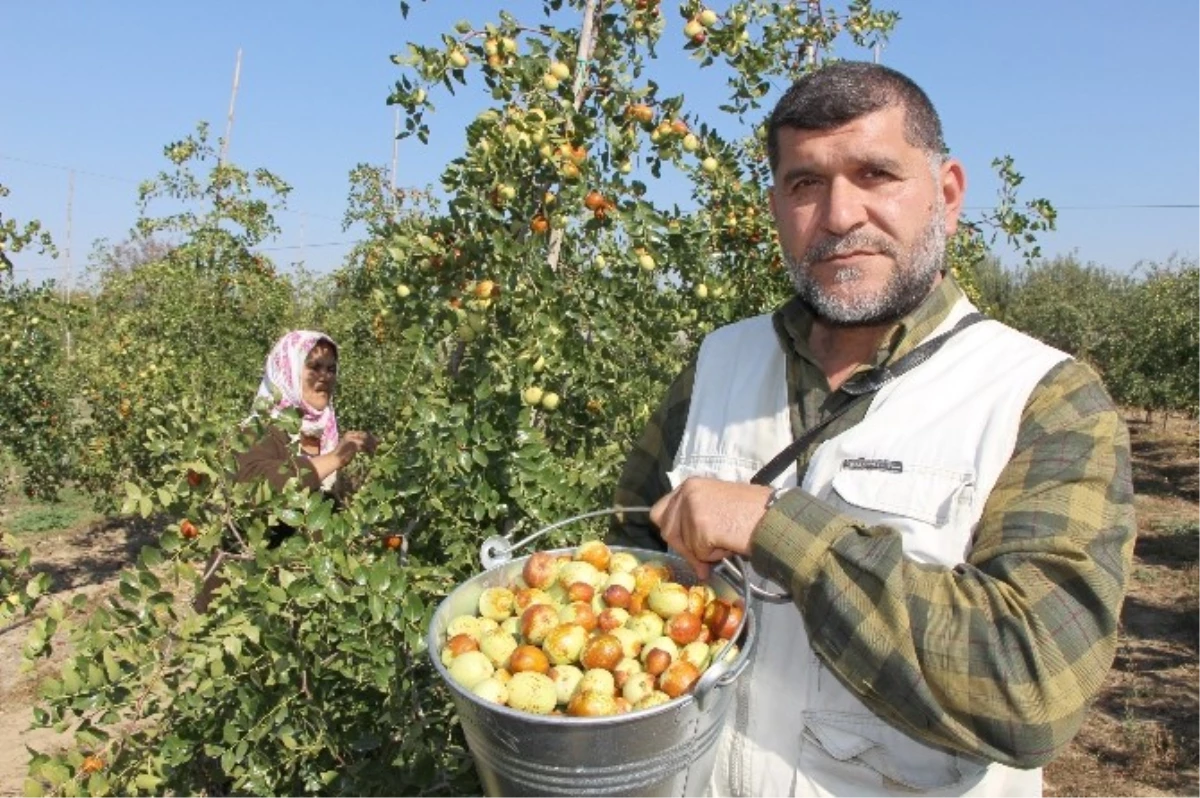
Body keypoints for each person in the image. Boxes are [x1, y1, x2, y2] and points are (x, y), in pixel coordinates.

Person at [609, 62, 1135, 797]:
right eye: (805, 184)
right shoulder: (717, 363)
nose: (839, 215)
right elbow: (626, 554)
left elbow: (1033, 685)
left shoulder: (1041, 398)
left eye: (876, 174)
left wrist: (774, 526)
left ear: (946, 195)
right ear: (776, 205)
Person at [194, 330, 377, 612]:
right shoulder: (257, 430)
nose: (325, 376)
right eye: (314, 367)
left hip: (304, 598)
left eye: (331, 369)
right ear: (287, 368)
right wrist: (337, 458)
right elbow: (260, 485)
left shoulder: (324, 431)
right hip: (245, 603)